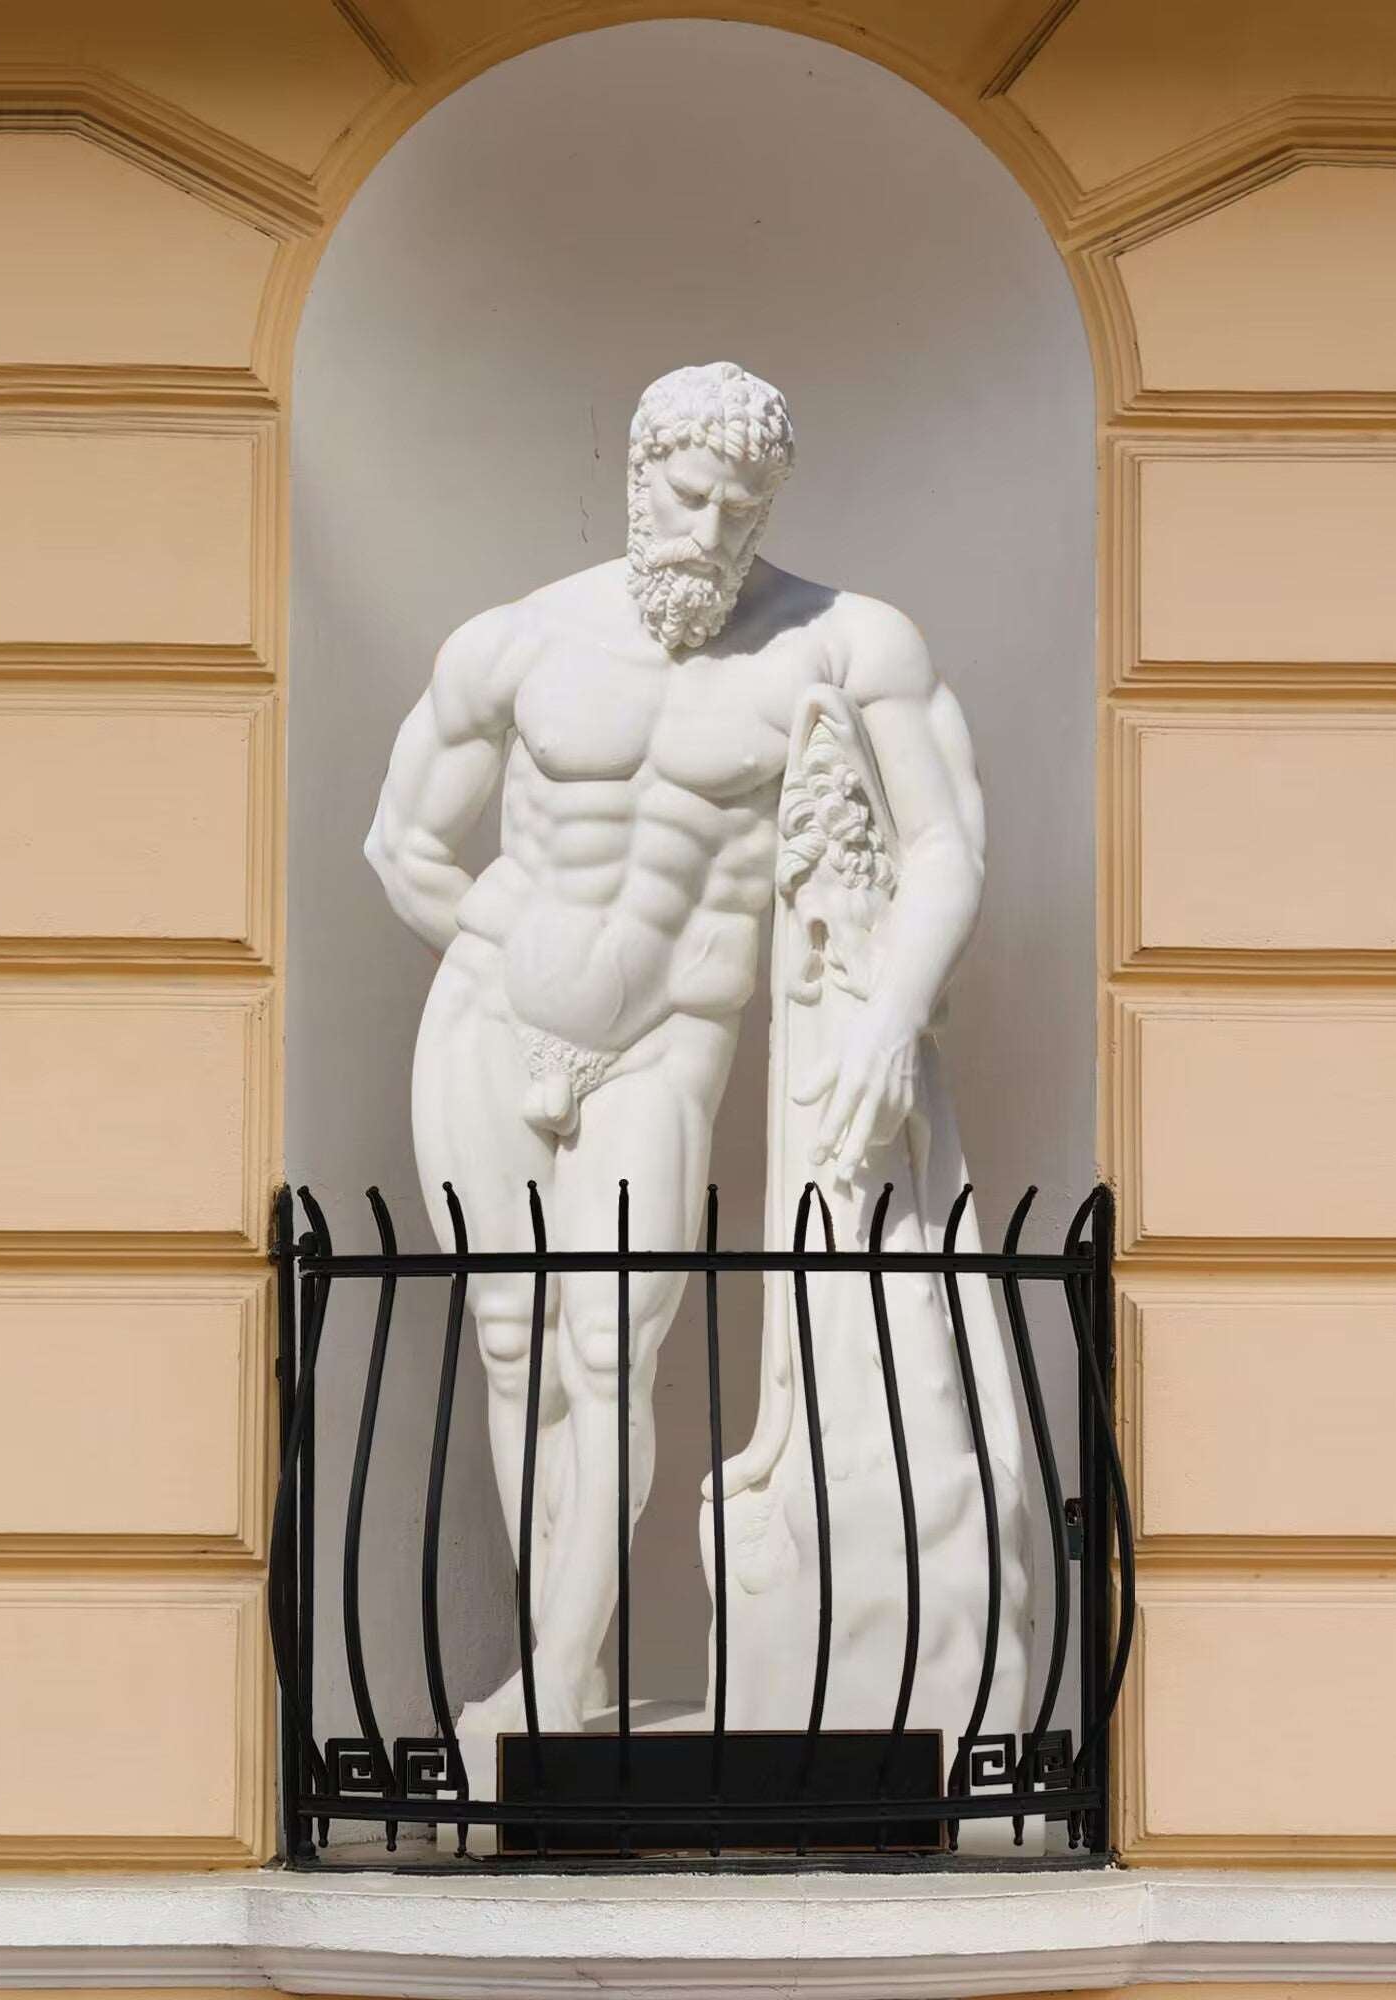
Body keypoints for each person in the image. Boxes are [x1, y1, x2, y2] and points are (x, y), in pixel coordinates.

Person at [367, 362, 986, 1732]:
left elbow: (946, 847)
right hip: (487, 1024)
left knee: (613, 1345)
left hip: (666, 1042)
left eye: (741, 510)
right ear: (640, 474)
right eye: (690, 498)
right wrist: (503, 938)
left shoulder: (838, 643)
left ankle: (552, 1678)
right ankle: (565, 1672)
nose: (709, 536)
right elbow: (401, 841)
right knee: (514, 1346)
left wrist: (890, 1014)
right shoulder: (520, 643)